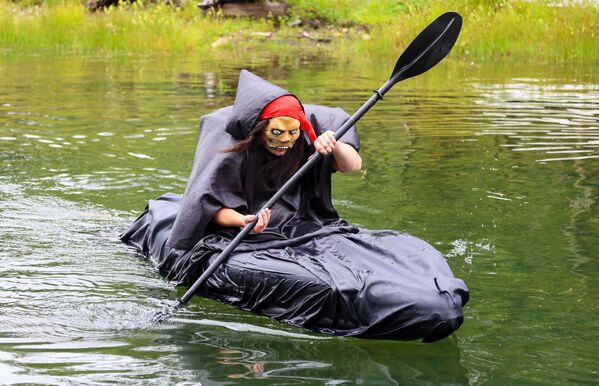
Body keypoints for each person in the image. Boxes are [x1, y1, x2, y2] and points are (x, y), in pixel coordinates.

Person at [121, 69, 468, 342]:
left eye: (292, 134)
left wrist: (329, 146)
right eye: (277, 134)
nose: (286, 142)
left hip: (307, 227)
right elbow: (210, 207)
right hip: (243, 235)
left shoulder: (307, 139)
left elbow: (353, 167)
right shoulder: (233, 149)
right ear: (260, 130)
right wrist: (243, 220)